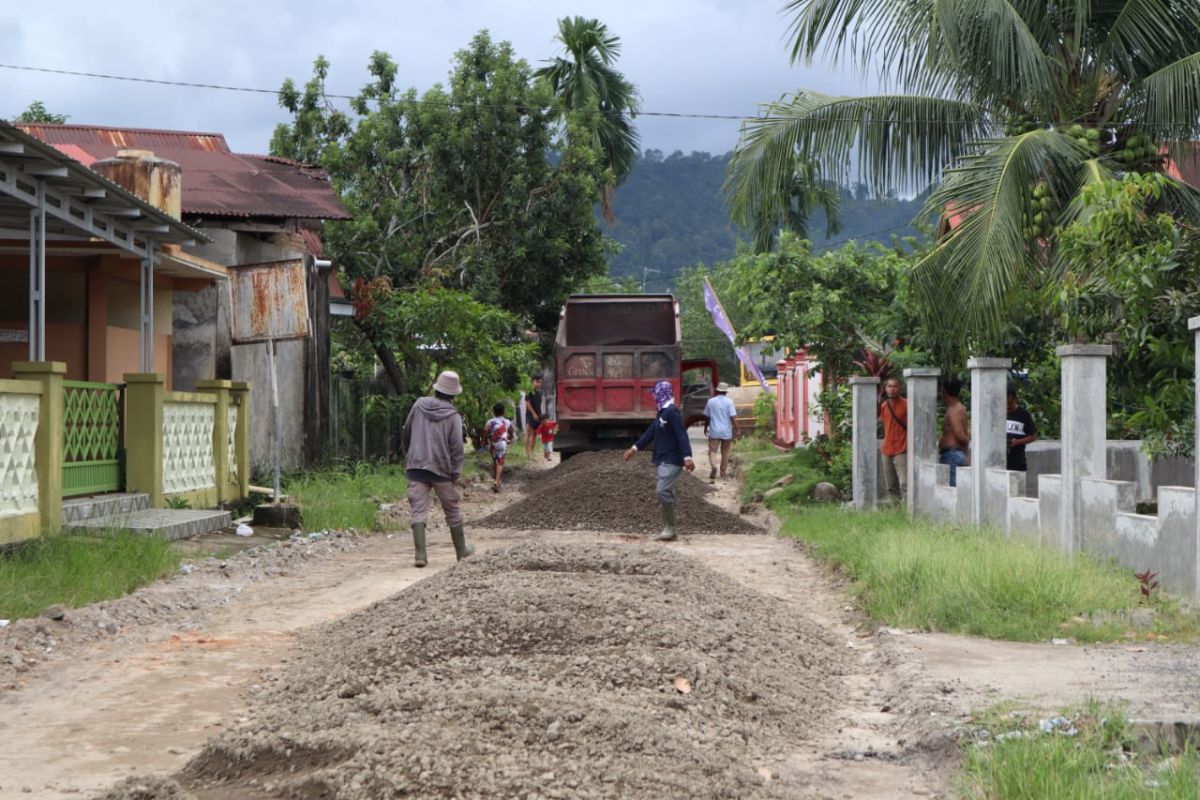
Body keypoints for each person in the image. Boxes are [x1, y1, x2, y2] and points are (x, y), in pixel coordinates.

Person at [402, 370, 473, 567]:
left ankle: (421, 555)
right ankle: (461, 552)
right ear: (454, 394)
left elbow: (406, 430)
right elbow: (457, 447)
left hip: (416, 466)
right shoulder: (453, 416)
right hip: (442, 470)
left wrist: (407, 454)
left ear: (437, 389)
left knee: (418, 509)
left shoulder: (418, 405)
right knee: (452, 509)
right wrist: (456, 471)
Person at [622, 380, 696, 541]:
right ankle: (668, 528)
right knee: (664, 492)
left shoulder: (672, 412)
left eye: (655, 393)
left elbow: (681, 434)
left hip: (672, 459)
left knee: (662, 490)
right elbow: (651, 433)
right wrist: (634, 449)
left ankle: (670, 529)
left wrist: (687, 457)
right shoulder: (662, 412)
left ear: (661, 394)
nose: (653, 396)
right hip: (662, 459)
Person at [879, 377, 908, 502]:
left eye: (895, 386)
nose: (892, 389)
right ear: (885, 389)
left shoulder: (907, 404)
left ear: (900, 388)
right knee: (891, 486)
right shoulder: (884, 405)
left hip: (902, 448)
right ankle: (896, 513)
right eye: (889, 386)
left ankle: (909, 513)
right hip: (887, 449)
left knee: (905, 483)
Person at [937, 377, 970, 487]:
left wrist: (964, 452)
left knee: (952, 491)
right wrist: (965, 454)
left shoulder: (954, 411)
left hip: (952, 455)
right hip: (955, 454)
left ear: (944, 391)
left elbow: (961, 435)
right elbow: (966, 434)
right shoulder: (961, 408)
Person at [702, 381, 737, 480]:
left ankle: (714, 466)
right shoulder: (729, 402)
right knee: (725, 452)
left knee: (712, 450)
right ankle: (723, 473)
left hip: (714, 431)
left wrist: (705, 427)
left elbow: (707, 417)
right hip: (726, 432)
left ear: (717, 391)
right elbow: (733, 417)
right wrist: (737, 429)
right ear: (726, 392)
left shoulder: (711, 401)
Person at [1006, 384, 1038, 472]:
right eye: (1006, 404)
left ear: (1015, 399)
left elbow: (1033, 436)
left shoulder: (1024, 414)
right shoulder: (998, 414)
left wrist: (1018, 442)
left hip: (1017, 461)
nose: (1008, 406)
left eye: (1010, 403)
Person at [484, 402, 515, 492]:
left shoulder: (490, 421)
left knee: (495, 461)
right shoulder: (507, 421)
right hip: (502, 443)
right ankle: (497, 482)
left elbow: (485, 430)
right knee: (500, 463)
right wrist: (511, 438)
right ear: (504, 412)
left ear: (493, 412)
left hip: (493, 444)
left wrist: (485, 440)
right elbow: (511, 431)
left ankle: (496, 479)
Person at [524, 375, 544, 458]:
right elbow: (528, 404)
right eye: (537, 382)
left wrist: (540, 416)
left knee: (535, 433)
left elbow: (539, 405)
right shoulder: (529, 391)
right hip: (530, 414)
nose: (539, 384)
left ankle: (531, 452)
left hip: (538, 415)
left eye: (540, 383)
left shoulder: (539, 393)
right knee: (529, 432)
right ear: (532, 382)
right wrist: (533, 414)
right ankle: (526, 452)